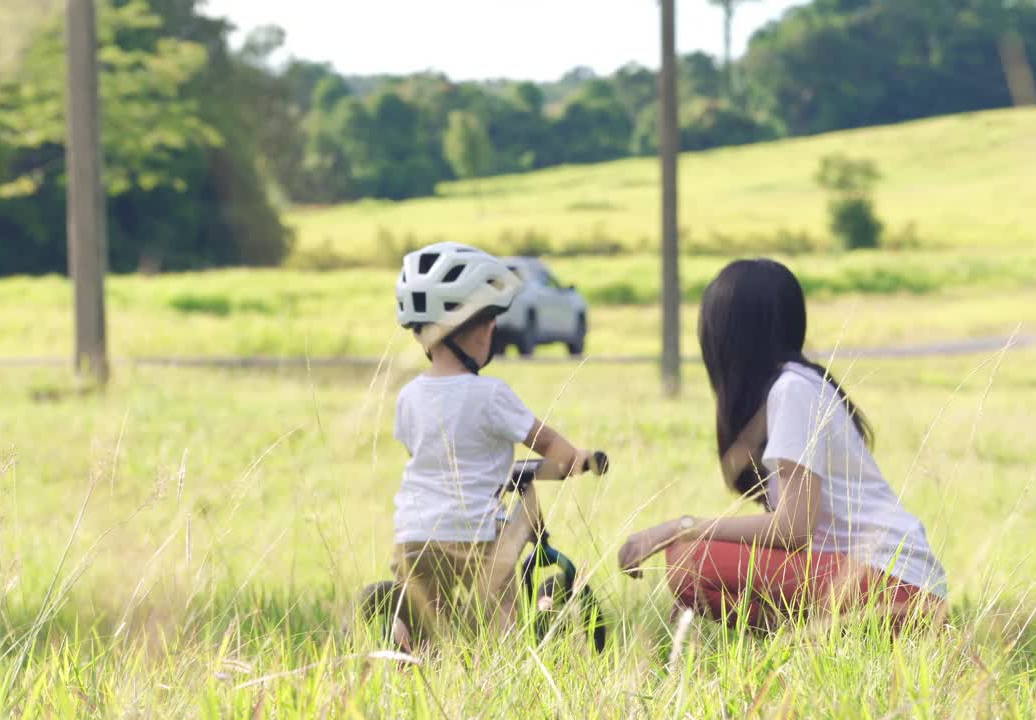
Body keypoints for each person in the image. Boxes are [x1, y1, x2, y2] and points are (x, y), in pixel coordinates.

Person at [617, 259, 947, 631]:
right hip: (887, 581)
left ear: (727, 337)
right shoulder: (799, 386)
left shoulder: (792, 391)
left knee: (689, 561)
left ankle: (808, 644)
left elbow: (793, 528)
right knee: (695, 565)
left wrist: (680, 527)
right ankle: (810, 645)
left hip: (897, 586)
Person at [388, 242, 594, 650]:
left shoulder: (407, 396)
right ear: (472, 329)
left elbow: (427, 454)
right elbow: (558, 452)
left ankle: (406, 655)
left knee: (428, 623)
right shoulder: (492, 395)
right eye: (490, 320)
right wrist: (581, 459)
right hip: (473, 535)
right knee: (501, 600)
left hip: (411, 534)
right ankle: (506, 659)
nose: (494, 329)